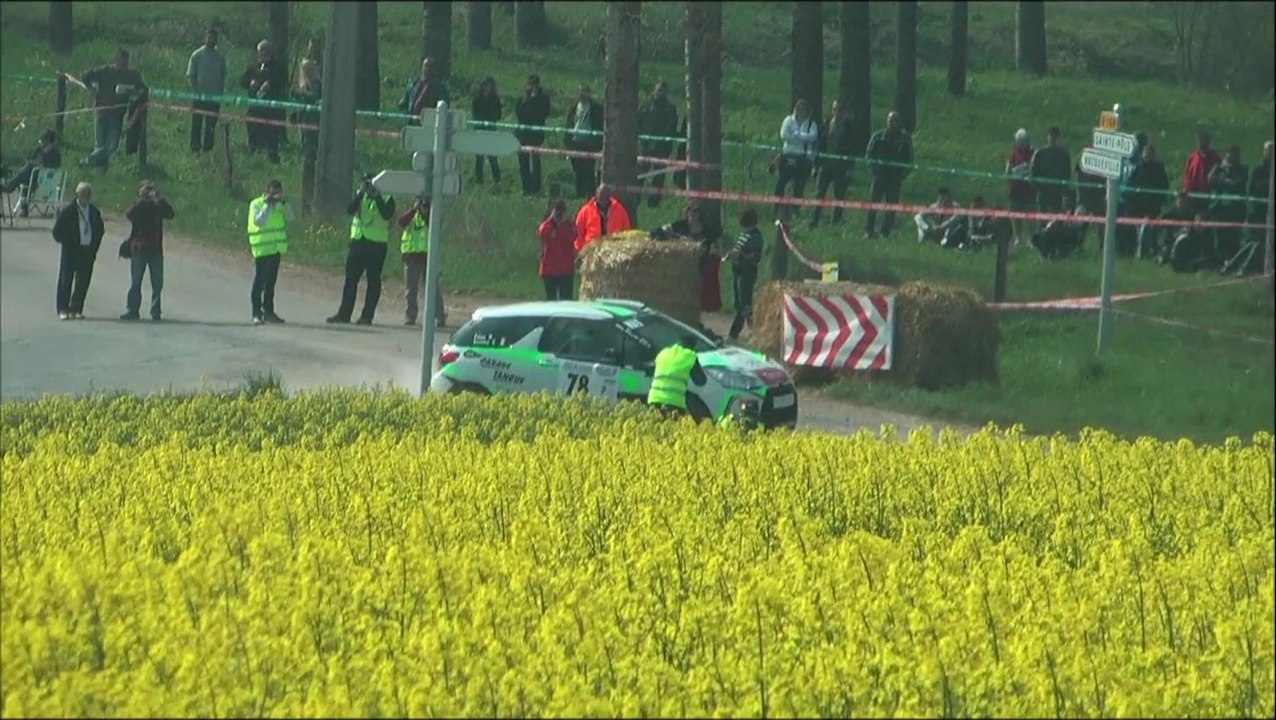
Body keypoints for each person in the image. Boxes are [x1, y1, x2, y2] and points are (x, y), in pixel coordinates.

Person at [328, 174, 397, 325]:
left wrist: (377, 197)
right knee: (350, 280)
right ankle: (344, 314)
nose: (370, 186)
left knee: (373, 281)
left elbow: (387, 214)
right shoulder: (361, 196)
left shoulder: (387, 197)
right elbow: (349, 209)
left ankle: (367, 316)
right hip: (358, 241)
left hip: (376, 245)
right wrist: (360, 194)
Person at [79, 49, 146, 169]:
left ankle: (88, 162)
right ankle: (100, 173)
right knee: (99, 145)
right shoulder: (105, 70)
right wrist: (91, 89)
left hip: (117, 115)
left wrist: (131, 92)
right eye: (120, 63)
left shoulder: (132, 75)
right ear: (116, 60)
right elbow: (85, 75)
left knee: (112, 147)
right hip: (101, 111)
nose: (122, 66)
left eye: (125, 64)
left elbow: (142, 89)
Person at [654, 200, 724, 313]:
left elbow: (718, 242)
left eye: (696, 211)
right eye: (690, 210)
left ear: (700, 213)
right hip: (684, 267)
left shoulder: (707, 229)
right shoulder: (680, 225)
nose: (693, 213)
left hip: (700, 267)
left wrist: (716, 253)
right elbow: (661, 230)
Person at [120, 181, 174, 322]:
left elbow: (171, 214)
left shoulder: (158, 206)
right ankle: (132, 310)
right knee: (136, 282)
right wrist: (141, 199)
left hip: (155, 249)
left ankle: (155, 311)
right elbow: (128, 214)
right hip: (139, 248)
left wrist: (160, 199)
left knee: (157, 283)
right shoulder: (139, 205)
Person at [51, 182, 105, 320]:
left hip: (87, 251)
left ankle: (76, 308)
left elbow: (100, 230)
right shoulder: (68, 211)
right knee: (66, 280)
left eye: (89, 194)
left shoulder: (93, 211)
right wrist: (69, 241)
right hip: (71, 251)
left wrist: (94, 247)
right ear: (78, 195)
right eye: (84, 194)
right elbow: (57, 232)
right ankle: (63, 309)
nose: (87, 197)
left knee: (83, 280)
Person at [247, 179, 293, 325]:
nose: (275, 196)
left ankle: (269, 311)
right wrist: (267, 205)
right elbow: (259, 222)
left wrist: (284, 204)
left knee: (271, 283)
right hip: (261, 249)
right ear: (267, 191)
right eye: (273, 193)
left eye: (277, 193)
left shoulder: (281, 205)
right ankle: (256, 313)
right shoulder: (257, 204)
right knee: (259, 281)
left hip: (275, 249)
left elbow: (291, 218)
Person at [864, 110, 913, 239]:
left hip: (895, 179)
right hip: (879, 176)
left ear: (900, 123)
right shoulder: (878, 136)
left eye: (895, 120)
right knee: (872, 205)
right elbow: (869, 155)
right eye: (890, 120)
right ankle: (868, 231)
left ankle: (885, 233)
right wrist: (874, 171)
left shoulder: (905, 140)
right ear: (886, 121)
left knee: (891, 208)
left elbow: (910, 161)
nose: (893, 123)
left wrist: (901, 177)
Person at [398, 194, 445, 327]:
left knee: (432, 288)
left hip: (428, 255)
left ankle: (439, 316)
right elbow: (401, 222)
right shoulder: (412, 214)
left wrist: (426, 212)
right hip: (411, 255)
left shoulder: (433, 215)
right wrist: (413, 210)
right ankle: (410, 315)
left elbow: (434, 225)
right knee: (411, 289)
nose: (423, 205)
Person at [240, 40, 287, 163]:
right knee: (252, 129)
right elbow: (242, 80)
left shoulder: (278, 67)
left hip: (271, 109)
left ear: (271, 52)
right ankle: (252, 155)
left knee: (272, 134)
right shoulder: (252, 66)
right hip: (255, 107)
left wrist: (270, 84)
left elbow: (283, 80)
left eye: (266, 51)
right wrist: (250, 83)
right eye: (261, 51)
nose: (263, 54)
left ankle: (273, 158)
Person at [810, 99, 854, 228]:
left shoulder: (848, 128)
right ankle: (814, 220)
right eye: (835, 109)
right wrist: (815, 165)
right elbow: (819, 147)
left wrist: (849, 167)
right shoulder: (825, 124)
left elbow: (851, 149)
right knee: (819, 194)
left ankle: (836, 222)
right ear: (832, 110)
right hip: (825, 165)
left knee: (839, 196)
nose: (837, 112)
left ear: (844, 111)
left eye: (840, 109)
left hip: (840, 167)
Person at [638, 80, 679, 208]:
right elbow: (637, 122)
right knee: (640, 175)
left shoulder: (671, 109)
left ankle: (653, 203)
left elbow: (672, 128)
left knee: (659, 177)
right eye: (659, 90)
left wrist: (669, 144)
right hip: (646, 145)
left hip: (662, 147)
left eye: (663, 91)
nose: (661, 93)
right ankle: (636, 200)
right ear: (654, 90)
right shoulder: (645, 106)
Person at [773, 99, 819, 213]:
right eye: (799, 109)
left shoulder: (811, 124)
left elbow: (812, 137)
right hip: (787, 156)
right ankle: (777, 208)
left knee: (799, 187)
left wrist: (797, 135)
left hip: (803, 159)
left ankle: (795, 211)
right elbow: (784, 135)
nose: (801, 111)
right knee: (780, 184)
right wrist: (802, 138)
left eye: (804, 109)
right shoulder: (788, 120)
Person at [1126, 143, 1170, 259]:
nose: (1147, 157)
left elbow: (1164, 186)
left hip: (1152, 206)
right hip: (1137, 206)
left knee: (1148, 229)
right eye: (1145, 155)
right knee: (1138, 231)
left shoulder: (1159, 169)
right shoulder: (1137, 168)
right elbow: (1129, 185)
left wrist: (1160, 199)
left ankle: (1148, 251)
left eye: (1149, 155)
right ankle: (1138, 252)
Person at [187, 28, 227, 154]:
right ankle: (195, 148)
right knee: (196, 124)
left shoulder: (220, 57)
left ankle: (208, 149)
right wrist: (196, 91)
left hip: (214, 98)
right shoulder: (197, 55)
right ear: (205, 38)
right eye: (209, 37)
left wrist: (221, 93)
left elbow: (223, 76)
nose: (211, 40)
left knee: (211, 125)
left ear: (216, 40)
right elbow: (191, 75)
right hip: (199, 97)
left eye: (213, 38)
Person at [4, 128, 61, 217]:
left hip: (43, 184)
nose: (42, 141)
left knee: (28, 169)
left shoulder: (55, 154)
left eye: (44, 139)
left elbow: (54, 169)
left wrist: (39, 163)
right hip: (32, 180)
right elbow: (29, 159)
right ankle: (23, 208)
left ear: (48, 140)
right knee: (25, 178)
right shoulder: (39, 150)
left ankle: (9, 186)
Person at [646, 335, 706, 419]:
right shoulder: (690, 355)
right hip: (674, 403)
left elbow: (651, 371)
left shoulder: (663, 353)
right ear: (692, 347)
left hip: (654, 399)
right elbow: (700, 381)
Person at [727, 208, 764, 342]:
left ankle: (753, 333)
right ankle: (736, 334)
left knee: (745, 305)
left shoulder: (755, 237)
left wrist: (741, 256)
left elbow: (754, 257)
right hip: (737, 272)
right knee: (738, 304)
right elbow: (737, 249)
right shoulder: (744, 234)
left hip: (746, 273)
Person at [1207, 145, 1248, 261]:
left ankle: (1235, 259)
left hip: (1235, 209)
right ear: (1227, 154)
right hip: (1219, 208)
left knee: (1234, 236)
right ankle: (1221, 259)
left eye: (1236, 154)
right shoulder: (1218, 167)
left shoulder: (1242, 169)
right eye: (1231, 153)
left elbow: (1239, 183)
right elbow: (1210, 179)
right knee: (1220, 235)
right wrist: (1226, 181)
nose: (1233, 156)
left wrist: (1223, 181)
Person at [565, 84, 605, 199]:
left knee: (588, 170)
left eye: (585, 91)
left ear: (589, 93)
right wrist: (568, 142)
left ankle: (591, 194)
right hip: (575, 142)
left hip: (589, 143)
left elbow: (600, 126)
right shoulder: (573, 108)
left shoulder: (596, 108)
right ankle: (580, 194)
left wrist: (597, 142)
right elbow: (568, 125)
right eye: (580, 91)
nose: (582, 94)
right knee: (578, 170)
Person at [515, 74, 550, 195]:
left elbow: (543, 113)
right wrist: (528, 100)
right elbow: (519, 114)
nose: (532, 87)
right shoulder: (522, 99)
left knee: (535, 162)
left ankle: (536, 188)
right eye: (530, 84)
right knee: (523, 162)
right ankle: (526, 187)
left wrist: (534, 99)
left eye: (534, 84)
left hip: (536, 134)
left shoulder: (543, 99)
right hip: (523, 134)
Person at [537, 199, 578, 300]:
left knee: (567, 301)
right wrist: (552, 220)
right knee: (551, 301)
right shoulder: (548, 224)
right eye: (557, 212)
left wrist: (562, 225)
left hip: (566, 270)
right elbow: (541, 232)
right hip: (550, 270)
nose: (559, 216)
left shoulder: (569, 225)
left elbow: (573, 236)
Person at [574, 183, 631, 253]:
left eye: (606, 198)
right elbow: (578, 234)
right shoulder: (585, 211)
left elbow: (627, 232)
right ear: (596, 196)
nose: (603, 201)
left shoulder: (620, 210)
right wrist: (580, 252)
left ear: (609, 197)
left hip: (614, 252)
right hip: (592, 252)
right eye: (601, 198)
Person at [1030, 195, 1087, 260]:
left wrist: (1065, 222)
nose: (1065, 203)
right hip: (1059, 231)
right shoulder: (1064, 211)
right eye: (1064, 200)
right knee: (1045, 234)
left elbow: (1077, 225)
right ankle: (1046, 252)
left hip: (1072, 233)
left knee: (1055, 232)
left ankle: (1052, 252)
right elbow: (1054, 221)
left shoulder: (1079, 209)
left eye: (1067, 200)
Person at [1030, 126, 1072, 215]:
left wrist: (1064, 192)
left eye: (1055, 136)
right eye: (1051, 136)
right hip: (1043, 194)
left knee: (1056, 221)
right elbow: (1033, 174)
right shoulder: (1039, 154)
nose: (1053, 139)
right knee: (1042, 220)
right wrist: (1039, 187)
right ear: (1047, 137)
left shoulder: (1064, 155)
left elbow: (1067, 175)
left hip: (1057, 195)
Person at [471, 77, 503, 184]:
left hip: (491, 131)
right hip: (479, 131)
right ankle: (479, 181)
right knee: (479, 158)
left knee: (492, 158)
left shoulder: (495, 100)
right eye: (486, 86)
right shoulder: (477, 99)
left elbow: (498, 115)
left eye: (490, 86)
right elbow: (475, 114)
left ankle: (498, 180)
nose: (488, 88)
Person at [1006, 129, 1035, 245]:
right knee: (1016, 215)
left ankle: (1031, 238)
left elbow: (1035, 168)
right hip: (1015, 190)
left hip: (1029, 190)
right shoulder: (1013, 154)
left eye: (1024, 141)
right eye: (1019, 141)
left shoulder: (1033, 153)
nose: (1022, 144)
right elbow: (1008, 171)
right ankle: (1017, 237)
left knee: (1031, 216)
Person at [1182, 131, 1221, 212]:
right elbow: (1187, 176)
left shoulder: (1214, 158)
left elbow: (1217, 177)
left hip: (1206, 196)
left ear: (1208, 142)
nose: (1200, 144)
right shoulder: (1193, 157)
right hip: (1191, 194)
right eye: (1199, 141)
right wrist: (1185, 190)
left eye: (1202, 142)